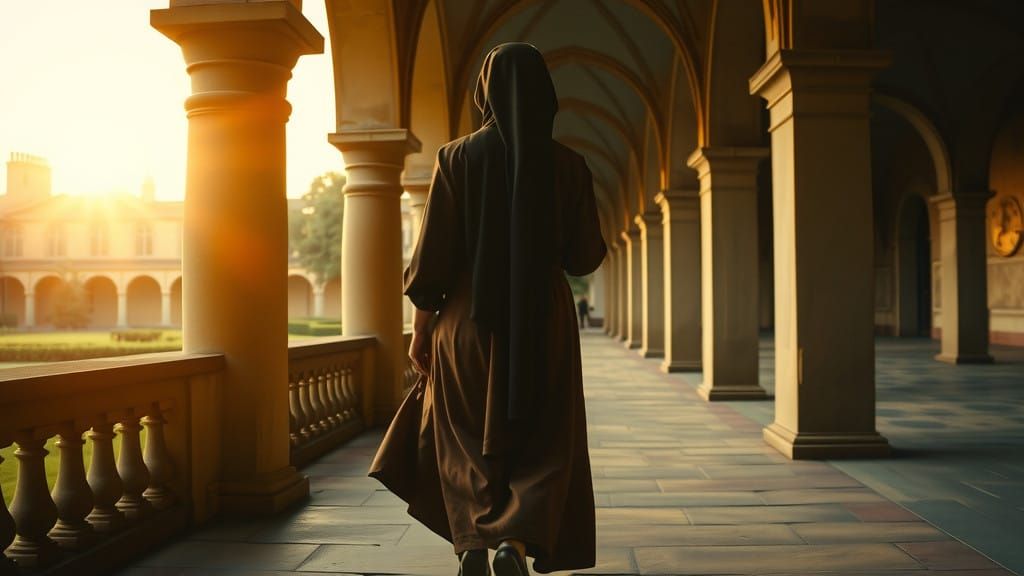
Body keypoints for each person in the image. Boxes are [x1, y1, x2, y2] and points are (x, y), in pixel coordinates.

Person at [369, 43, 606, 576]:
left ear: (485, 91)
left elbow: (433, 259)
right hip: (544, 321)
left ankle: (475, 539)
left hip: (466, 322)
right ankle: (514, 543)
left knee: (463, 437)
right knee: (546, 439)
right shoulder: (570, 165)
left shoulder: (456, 157)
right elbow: (585, 256)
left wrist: (420, 330)